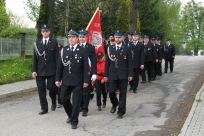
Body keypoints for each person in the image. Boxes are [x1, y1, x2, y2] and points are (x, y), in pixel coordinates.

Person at [55, 29, 89, 129]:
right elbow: (59, 67)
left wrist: (86, 80)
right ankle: (71, 115)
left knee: (76, 102)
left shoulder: (83, 51)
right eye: (69, 37)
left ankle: (74, 121)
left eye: (73, 37)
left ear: (77, 38)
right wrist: (57, 79)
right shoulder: (64, 50)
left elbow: (86, 67)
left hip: (78, 80)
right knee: (64, 99)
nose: (71, 39)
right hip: (66, 80)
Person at [104, 30, 133, 119]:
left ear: (123, 38)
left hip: (123, 74)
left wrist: (130, 74)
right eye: (116, 37)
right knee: (111, 91)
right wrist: (105, 75)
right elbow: (107, 63)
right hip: (112, 74)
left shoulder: (127, 48)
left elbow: (130, 63)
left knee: (123, 93)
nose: (117, 39)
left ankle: (121, 111)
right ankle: (115, 103)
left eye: (119, 37)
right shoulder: (110, 48)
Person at [32, 24, 59, 115]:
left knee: (52, 88)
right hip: (40, 70)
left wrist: (58, 71)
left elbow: (57, 58)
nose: (45, 32)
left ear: (49, 32)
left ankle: (54, 100)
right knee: (41, 90)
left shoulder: (54, 43)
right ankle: (44, 108)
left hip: (51, 70)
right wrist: (34, 70)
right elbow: (35, 58)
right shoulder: (37, 44)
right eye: (43, 31)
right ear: (41, 32)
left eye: (47, 31)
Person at [78, 29, 97, 117]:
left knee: (86, 91)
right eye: (80, 37)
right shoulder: (76, 46)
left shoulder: (90, 47)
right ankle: (79, 106)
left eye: (83, 37)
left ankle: (85, 108)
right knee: (78, 91)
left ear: (86, 37)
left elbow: (93, 61)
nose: (81, 39)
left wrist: (94, 73)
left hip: (87, 72)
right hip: (77, 73)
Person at [57, 43, 63, 108]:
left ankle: (59, 101)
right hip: (56, 72)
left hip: (63, 73)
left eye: (60, 49)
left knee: (60, 88)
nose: (59, 51)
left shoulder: (63, 54)